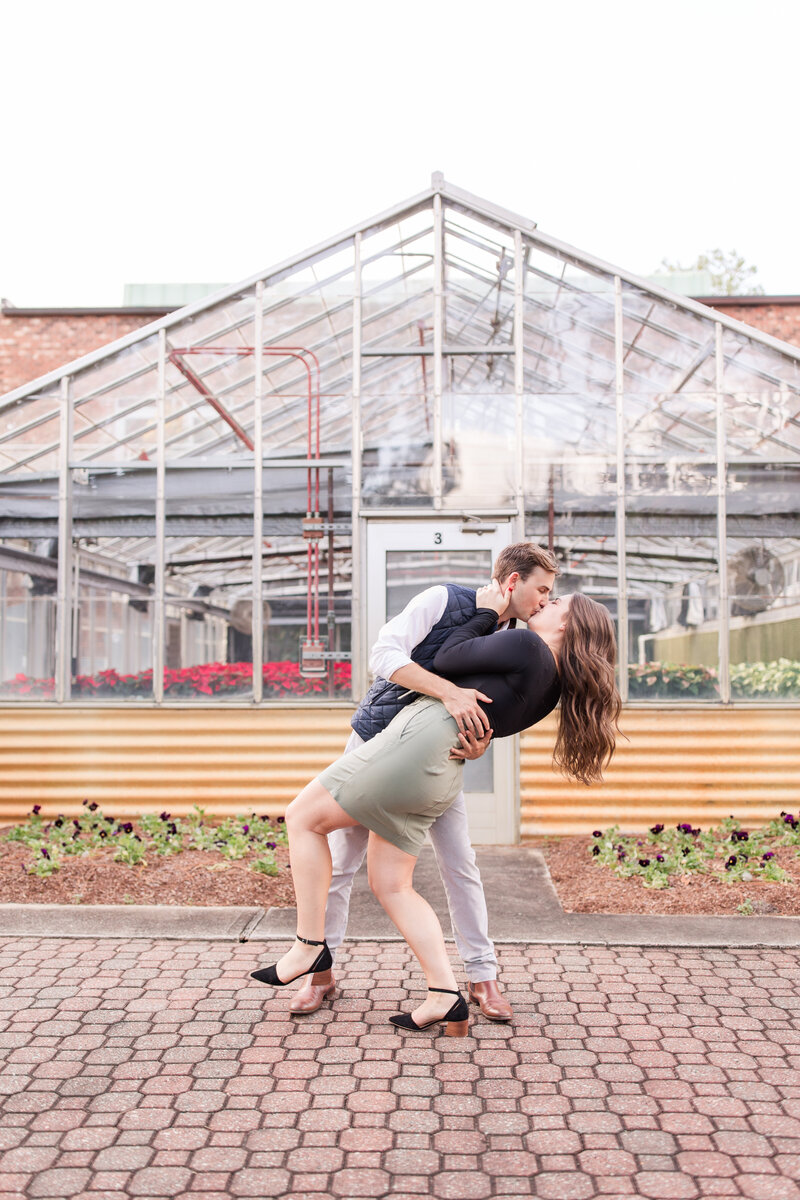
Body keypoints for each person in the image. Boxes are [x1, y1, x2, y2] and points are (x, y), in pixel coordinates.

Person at [251, 584, 622, 1038]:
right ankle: (444, 994)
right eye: (545, 591)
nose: (547, 601)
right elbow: (489, 716)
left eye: (557, 600)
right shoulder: (553, 689)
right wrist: (480, 742)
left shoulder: (526, 643)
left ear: (566, 624)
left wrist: (484, 613)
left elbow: (447, 659)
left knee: (302, 818)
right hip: (440, 772)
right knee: (392, 885)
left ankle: (310, 946)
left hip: (413, 747)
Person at [290, 542, 559, 1023]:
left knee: (461, 866)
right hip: (373, 743)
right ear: (513, 582)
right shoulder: (442, 599)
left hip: (437, 762)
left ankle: (483, 976)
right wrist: (450, 693)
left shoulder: (515, 639)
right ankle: (320, 975)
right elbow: (384, 655)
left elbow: (485, 708)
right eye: (541, 589)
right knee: (343, 862)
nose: (544, 601)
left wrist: (481, 742)